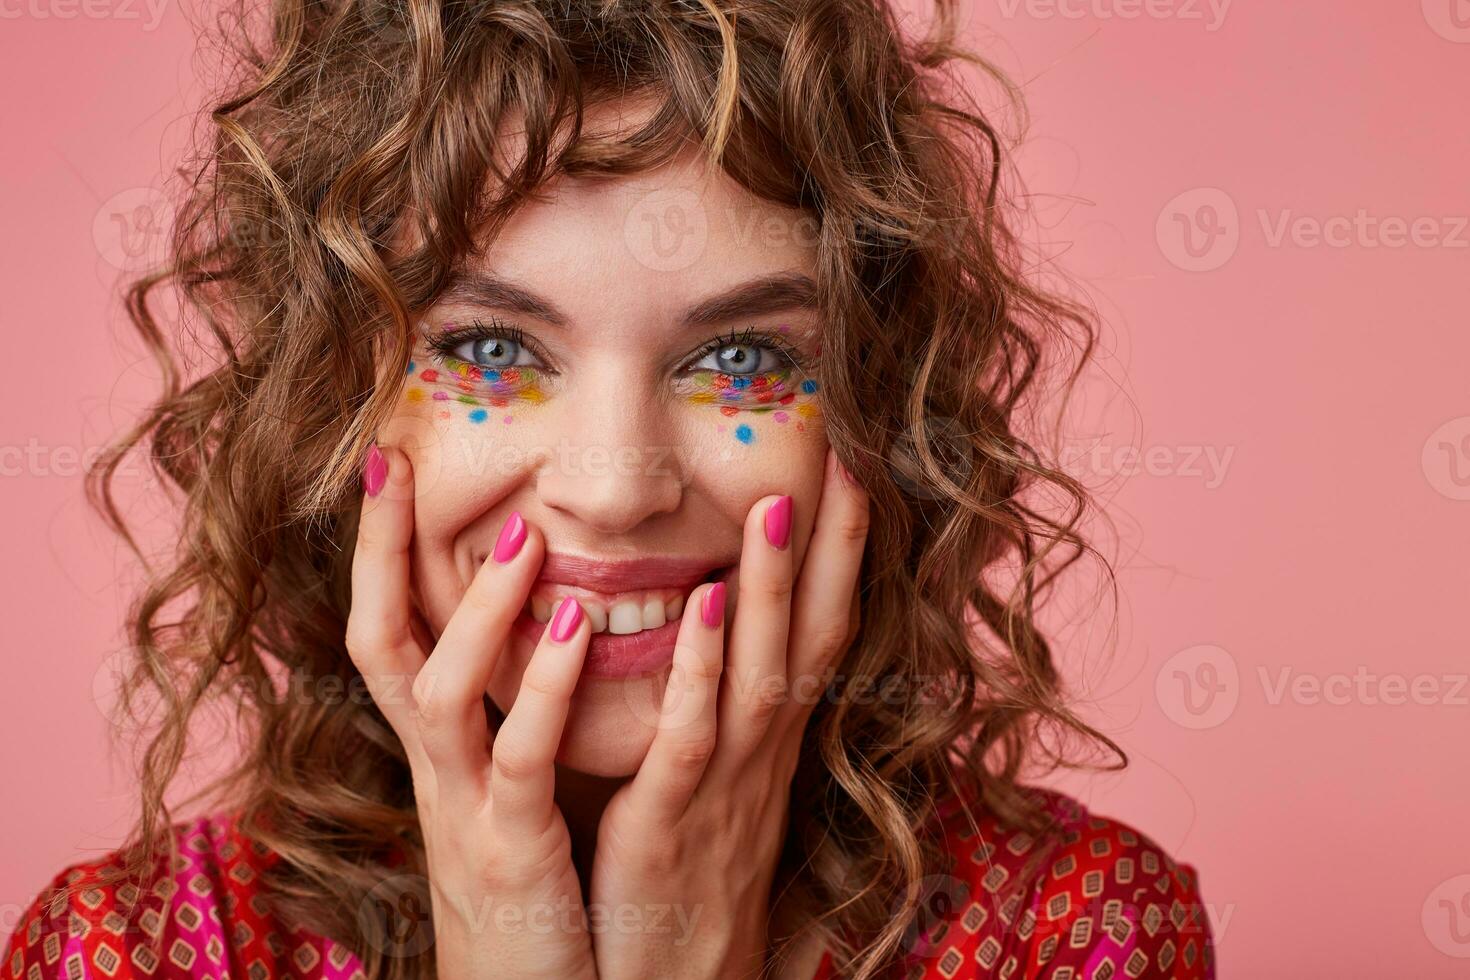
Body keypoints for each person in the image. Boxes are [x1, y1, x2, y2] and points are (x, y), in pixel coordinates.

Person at [2, 0, 1215, 977]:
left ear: (879, 411)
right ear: (331, 402)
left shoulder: (1071, 931)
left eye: (740, 359)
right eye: (491, 351)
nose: (617, 485)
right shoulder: (137, 950)